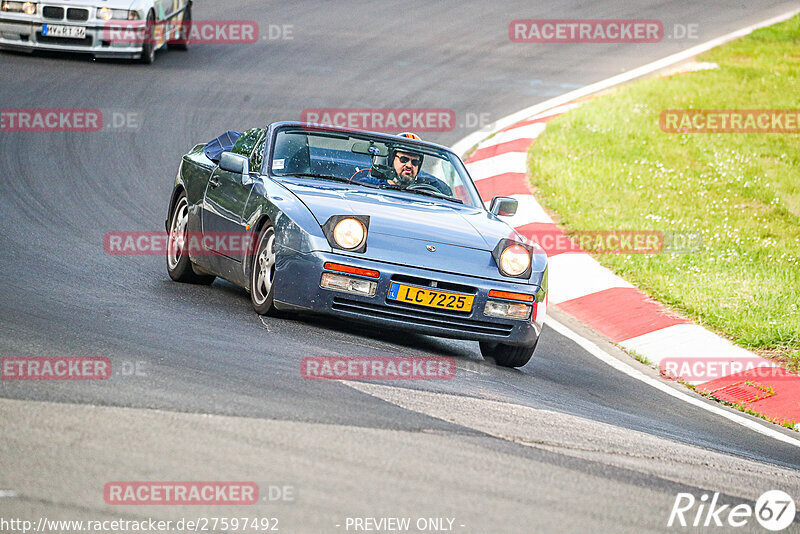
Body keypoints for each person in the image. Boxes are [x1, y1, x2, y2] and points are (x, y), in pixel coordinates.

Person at [354, 132, 452, 196]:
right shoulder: (368, 185)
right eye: (404, 159)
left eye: (415, 162)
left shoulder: (430, 190)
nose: (409, 165)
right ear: (391, 160)